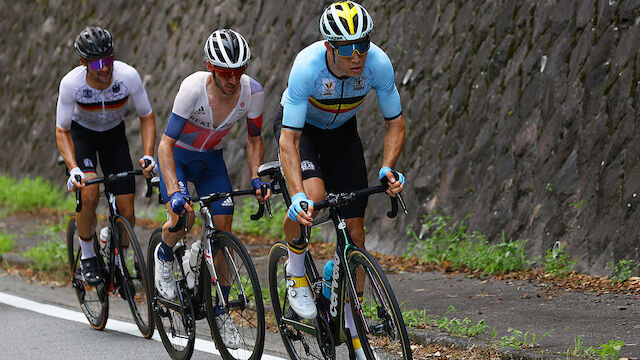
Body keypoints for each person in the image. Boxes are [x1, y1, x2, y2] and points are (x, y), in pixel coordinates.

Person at [274, 2, 405, 358]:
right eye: (347, 48)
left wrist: (388, 167)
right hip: (303, 134)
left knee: (355, 235)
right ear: (330, 47)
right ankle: (296, 270)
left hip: (343, 134)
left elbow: (395, 122)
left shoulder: (377, 64)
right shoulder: (307, 67)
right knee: (313, 201)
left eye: (362, 44)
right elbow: (290, 139)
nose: (357, 55)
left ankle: (354, 329)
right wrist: (298, 195)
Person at [155, 28, 270, 349]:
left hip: (211, 162)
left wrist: (257, 177)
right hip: (178, 157)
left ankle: (220, 310)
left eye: (239, 71)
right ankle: (164, 255)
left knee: (224, 235)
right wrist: (176, 190)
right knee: (184, 218)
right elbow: (165, 145)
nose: (233, 79)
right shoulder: (192, 89)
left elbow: (254, 138)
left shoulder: (253, 92)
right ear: (210, 67)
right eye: (225, 72)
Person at [56, 26, 157, 286]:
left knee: (127, 207)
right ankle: (88, 256)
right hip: (83, 137)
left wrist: (147, 154)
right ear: (83, 63)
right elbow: (62, 130)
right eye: (98, 62)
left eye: (109, 59)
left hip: (114, 137)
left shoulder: (128, 76)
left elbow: (146, 116)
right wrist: (73, 167)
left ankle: (120, 261)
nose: (105, 68)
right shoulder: (71, 84)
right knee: (89, 192)